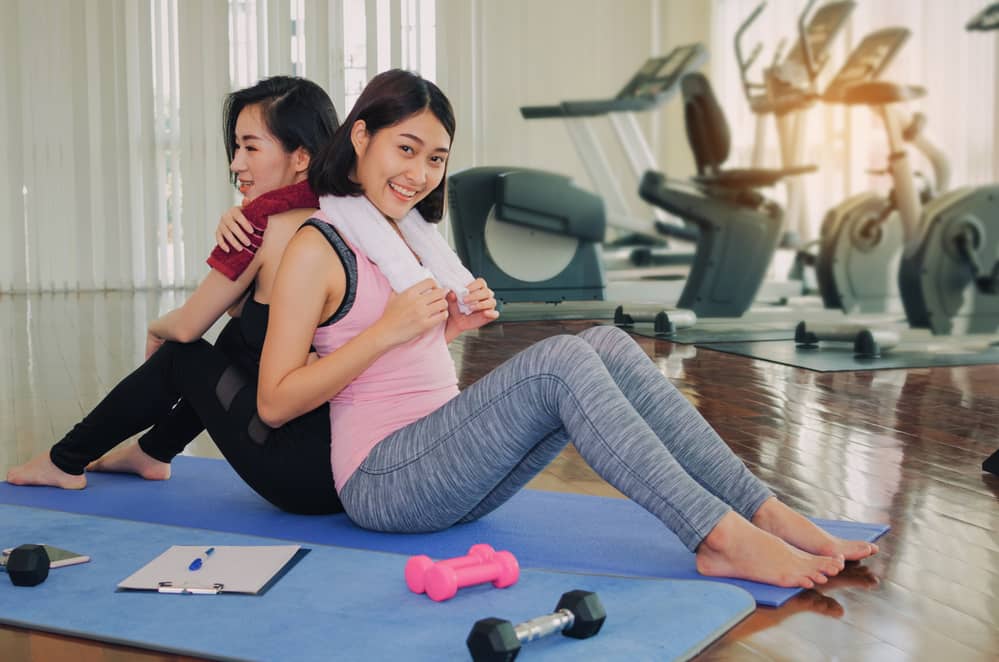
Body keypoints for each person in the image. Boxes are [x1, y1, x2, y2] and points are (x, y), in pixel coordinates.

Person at [250, 68, 878, 589]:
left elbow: (396, 360)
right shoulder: (318, 245)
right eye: (405, 149)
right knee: (559, 362)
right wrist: (387, 331)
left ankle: (765, 512)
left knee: (605, 341)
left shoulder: (405, 236)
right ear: (361, 136)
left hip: (446, 463)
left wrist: (445, 328)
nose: (419, 174)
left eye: (435, 158)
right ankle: (718, 537)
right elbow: (275, 402)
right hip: (382, 480)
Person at [7, 76, 344, 515]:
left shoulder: (267, 227)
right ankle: (152, 452)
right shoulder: (339, 217)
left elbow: (188, 325)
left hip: (299, 473)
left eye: (251, 147)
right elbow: (246, 319)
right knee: (236, 337)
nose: (237, 163)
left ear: (301, 156)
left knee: (183, 352)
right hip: (342, 467)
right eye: (236, 148)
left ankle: (65, 460)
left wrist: (155, 327)